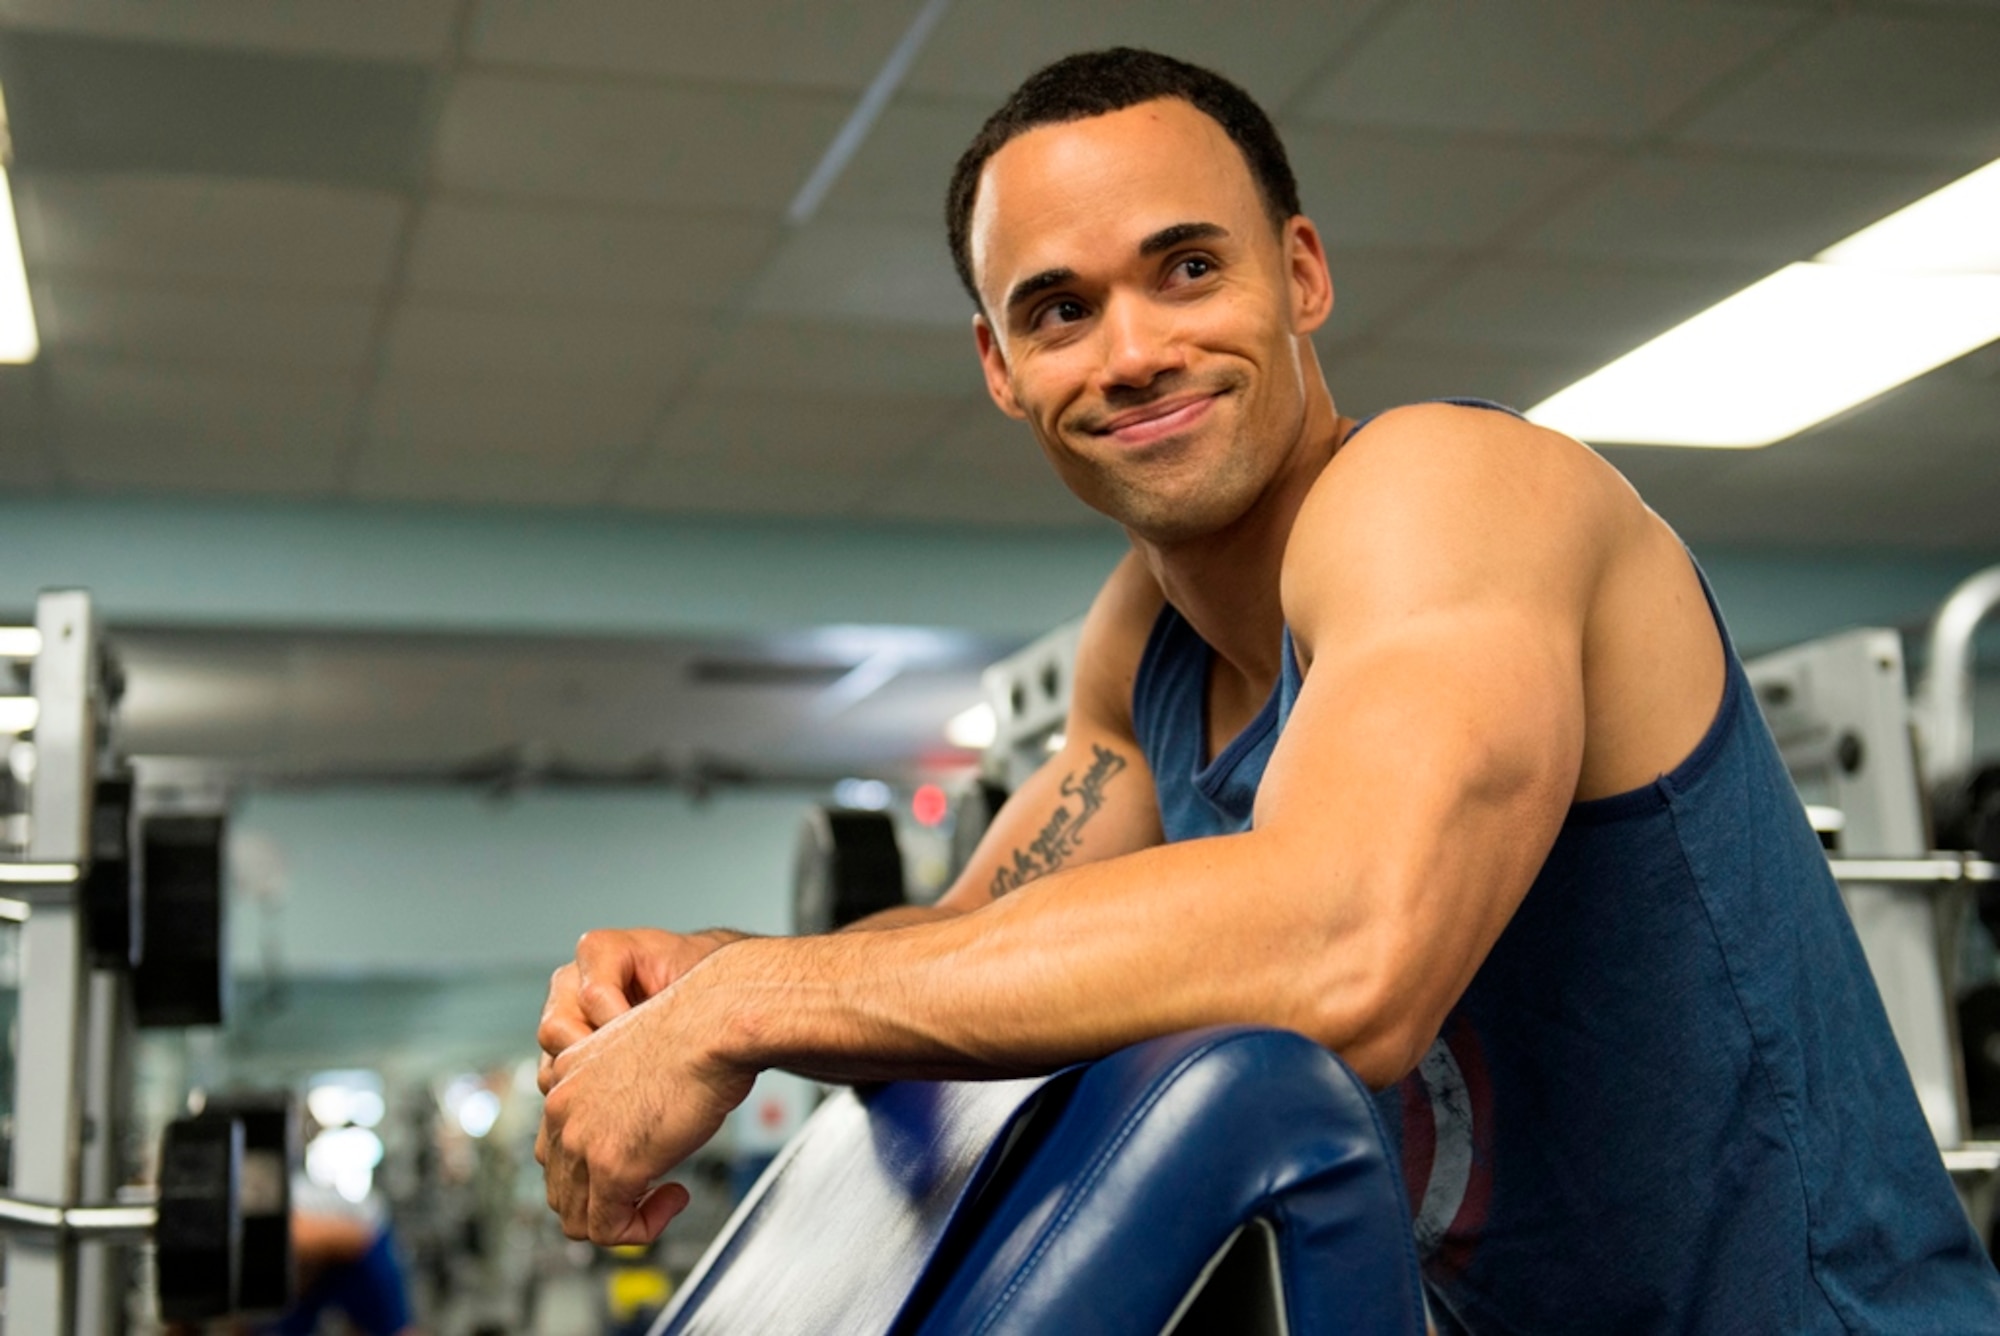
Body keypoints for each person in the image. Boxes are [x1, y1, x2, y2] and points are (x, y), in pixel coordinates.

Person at [535, 48, 2000, 1330]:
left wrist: (746, 1008)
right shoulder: (1144, 646)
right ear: (998, 364)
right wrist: (698, 977)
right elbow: (978, 941)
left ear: (1300, 272)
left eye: (1187, 268)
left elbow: (1349, 948)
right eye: (1058, 310)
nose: (1134, 353)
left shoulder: (1447, 489)